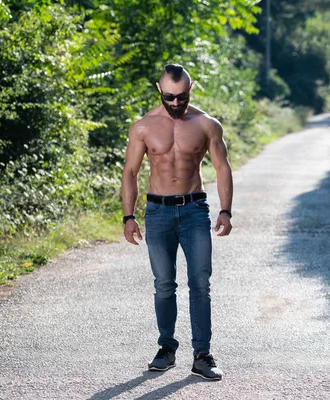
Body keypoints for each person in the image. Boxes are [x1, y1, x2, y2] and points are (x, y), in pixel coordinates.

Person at [120, 64, 233, 381]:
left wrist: (226, 210)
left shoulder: (206, 124)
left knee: (200, 283)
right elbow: (130, 173)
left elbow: (222, 168)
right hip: (158, 212)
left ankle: (202, 355)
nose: (174, 103)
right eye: (169, 97)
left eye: (180, 97)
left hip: (195, 209)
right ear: (160, 90)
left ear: (191, 88)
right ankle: (166, 350)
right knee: (164, 284)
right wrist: (128, 216)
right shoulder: (143, 127)